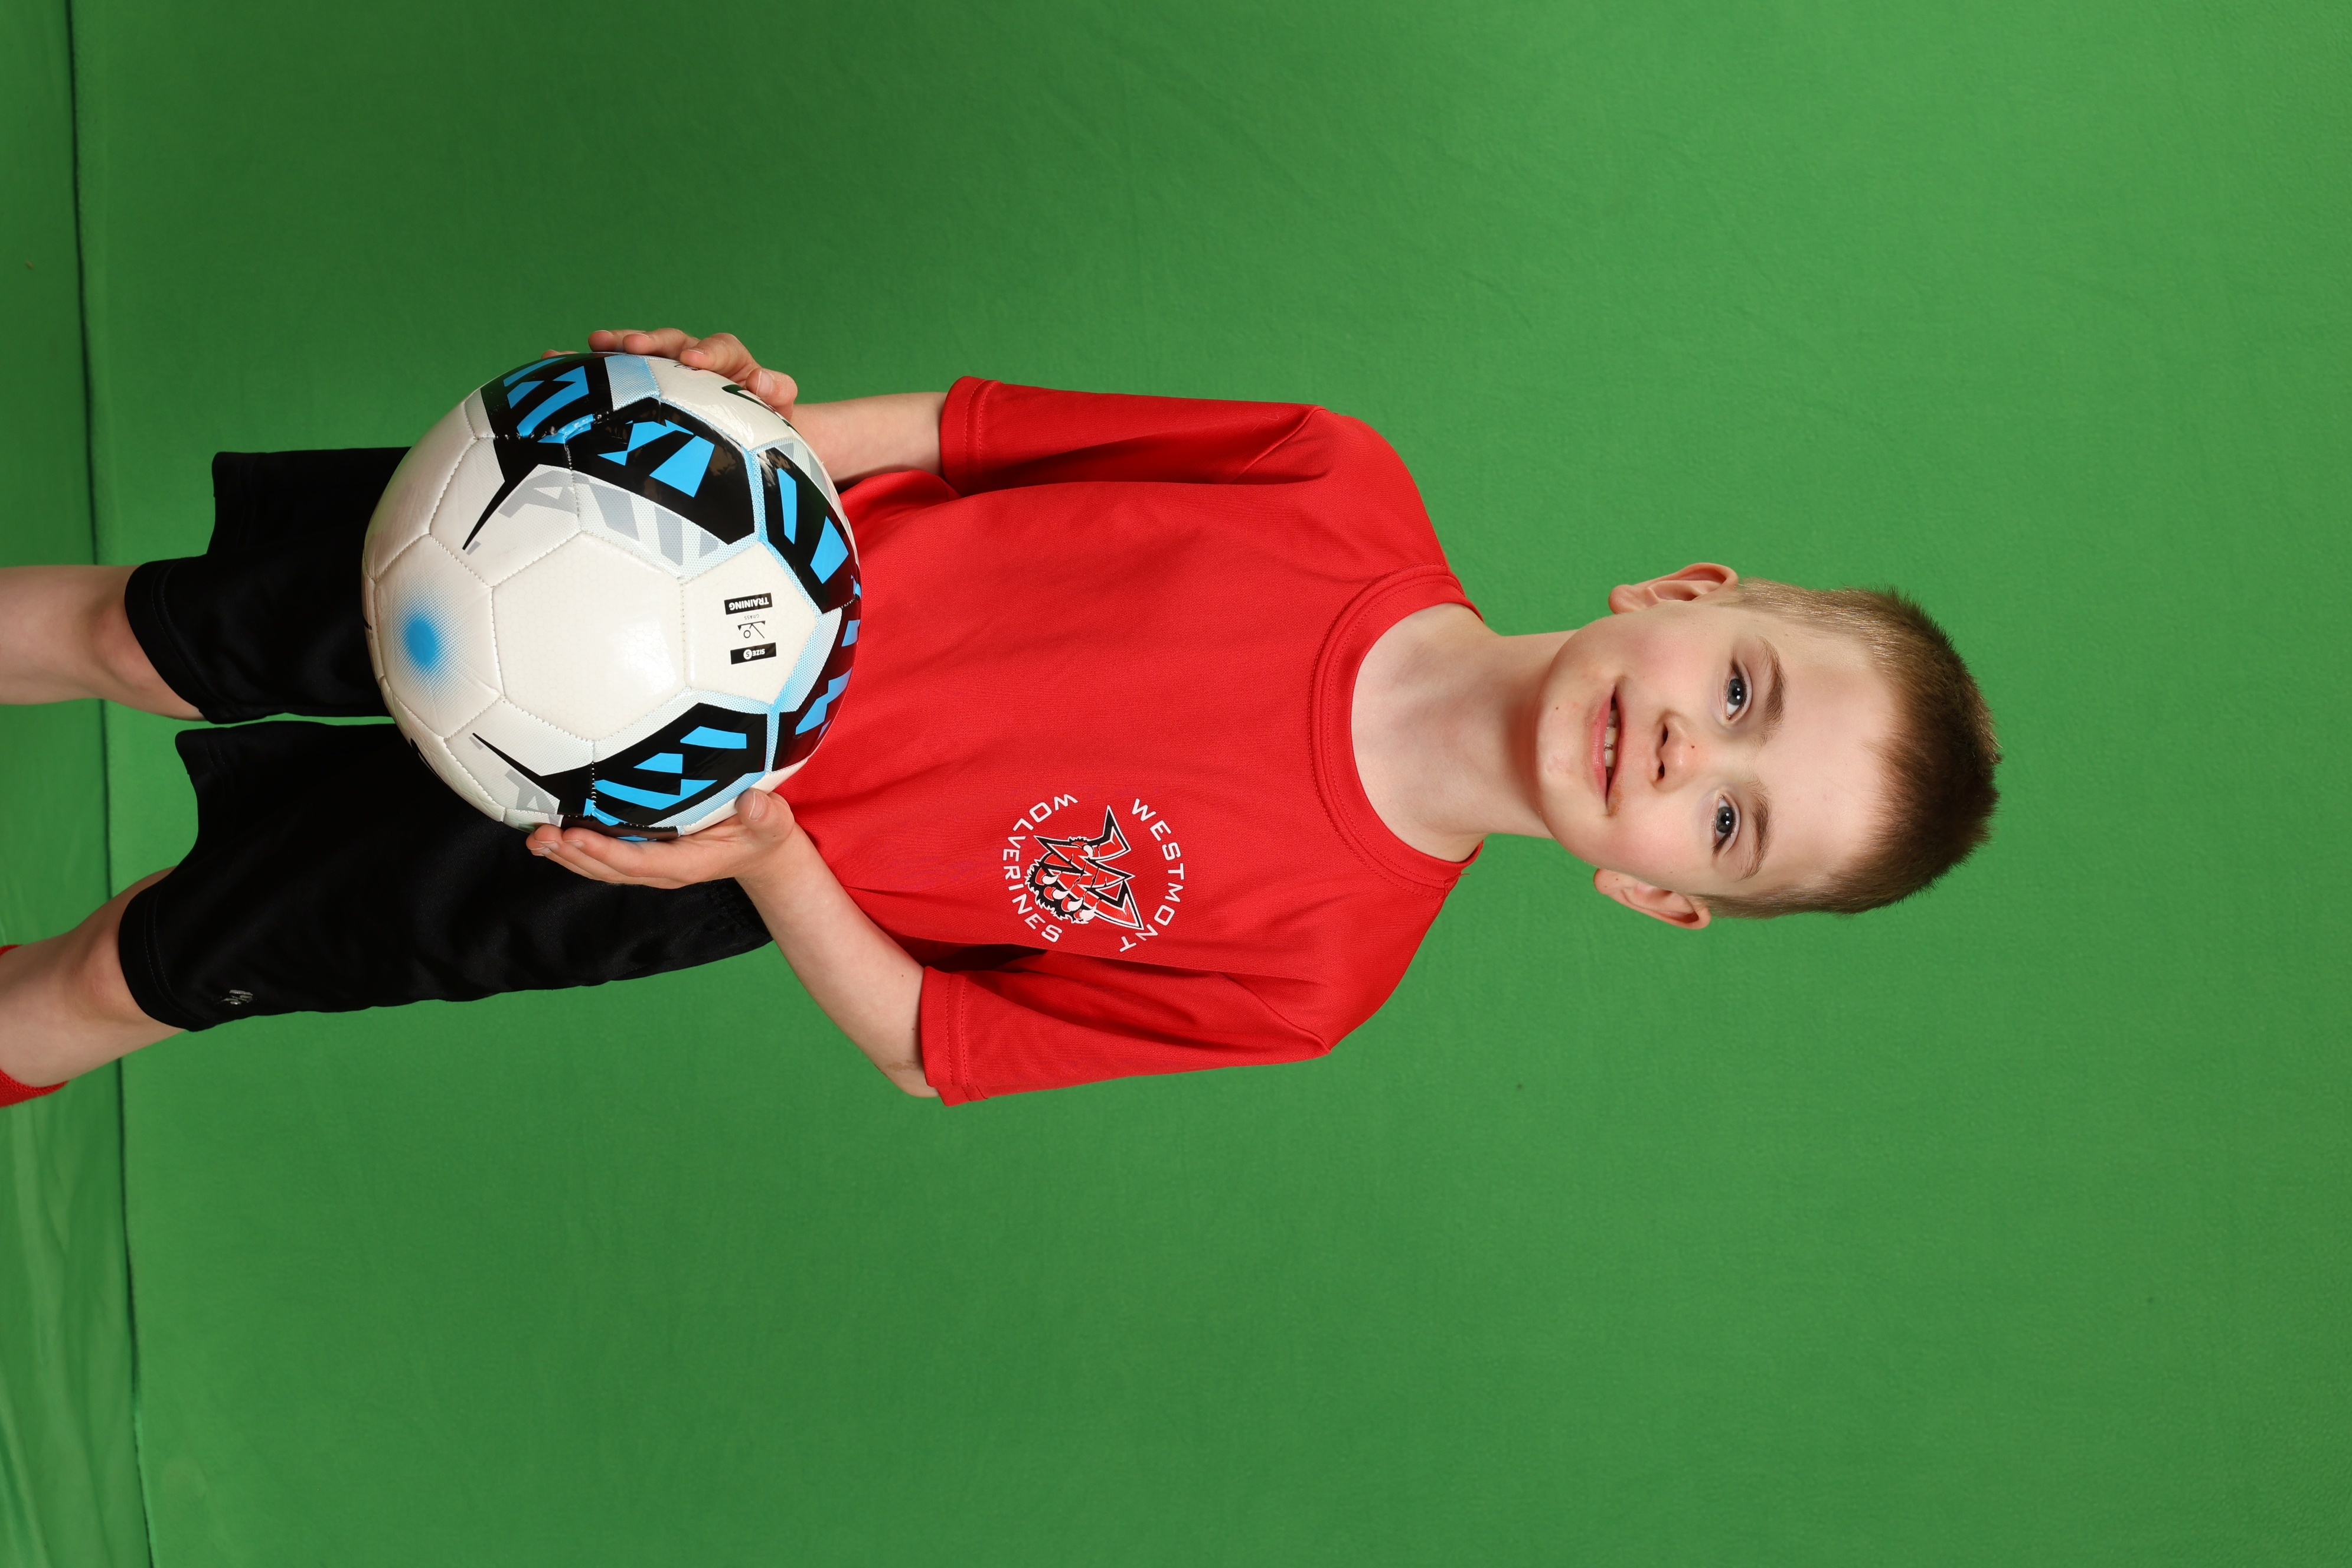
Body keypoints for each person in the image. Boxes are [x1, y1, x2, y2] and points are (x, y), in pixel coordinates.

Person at [0, 329, 1999, 1108]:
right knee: (152, 629)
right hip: (625, 562)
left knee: (172, 960)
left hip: (669, 856)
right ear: (1689, 597)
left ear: (1663, 897)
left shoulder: (1314, 973)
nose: (1690, 754)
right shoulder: (1332, 476)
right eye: (1744, 693)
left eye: (1731, 821)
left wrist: (763, 851)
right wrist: (732, 434)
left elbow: (932, 1044)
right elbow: (958, 437)